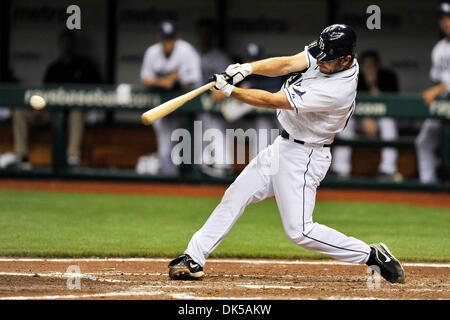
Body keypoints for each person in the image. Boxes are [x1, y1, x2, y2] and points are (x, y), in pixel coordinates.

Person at [167, 24, 405, 284]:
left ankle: (371, 255)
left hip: (305, 157)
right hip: (282, 146)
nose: (321, 63)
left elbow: (273, 100)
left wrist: (230, 92)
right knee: (236, 194)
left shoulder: (336, 90)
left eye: (327, 61)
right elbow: (288, 64)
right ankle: (194, 256)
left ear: (347, 59)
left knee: (300, 232)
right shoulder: (334, 53)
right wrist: (248, 68)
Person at [0, 31, 101, 169]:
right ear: (59, 45)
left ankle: (72, 157)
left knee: (76, 112)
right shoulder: (54, 68)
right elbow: (44, 93)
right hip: (52, 112)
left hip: (73, 112)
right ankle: (21, 156)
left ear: (73, 45)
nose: (66, 46)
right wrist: (38, 108)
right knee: (20, 112)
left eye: (68, 43)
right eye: (63, 43)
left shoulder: (85, 66)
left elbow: (98, 90)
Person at [139, 20, 202, 175]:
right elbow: (146, 79)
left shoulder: (186, 51)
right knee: (165, 148)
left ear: (177, 38)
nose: (168, 43)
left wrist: (170, 80)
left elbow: (190, 81)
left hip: (190, 104)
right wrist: (169, 79)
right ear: (159, 39)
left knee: (195, 144)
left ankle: (195, 178)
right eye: (165, 39)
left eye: (170, 39)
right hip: (165, 104)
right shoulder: (152, 52)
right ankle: (170, 182)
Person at [331, 50, 401, 180]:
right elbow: (346, 102)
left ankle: (388, 169)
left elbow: (391, 105)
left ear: (378, 65)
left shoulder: (388, 77)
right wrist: (365, 117)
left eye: (372, 65)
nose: (369, 68)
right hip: (358, 118)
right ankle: (340, 169)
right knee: (345, 124)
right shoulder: (354, 76)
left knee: (389, 124)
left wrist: (372, 84)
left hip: (380, 120)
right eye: (366, 65)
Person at [415, 2, 450, 184]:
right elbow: (437, 79)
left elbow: (440, 84)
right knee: (424, 142)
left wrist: (438, 89)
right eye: (443, 18)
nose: (445, 22)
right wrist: (439, 90)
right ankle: (427, 186)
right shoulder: (439, 49)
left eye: (448, 18)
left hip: (443, 96)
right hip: (444, 103)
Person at [195, 18, 232, 178]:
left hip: (221, 103)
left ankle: (223, 165)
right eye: (202, 33)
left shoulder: (219, 57)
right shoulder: (194, 56)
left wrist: (221, 90)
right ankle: (204, 165)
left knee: (215, 127)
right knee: (199, 130)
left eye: (207, 34)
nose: (205, 37)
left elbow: (231, 78)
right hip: (199, 102)